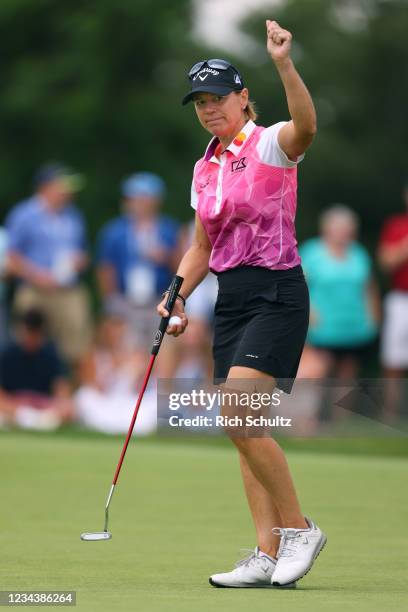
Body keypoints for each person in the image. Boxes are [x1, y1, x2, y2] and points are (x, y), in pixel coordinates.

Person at [157, 20, 326, 588]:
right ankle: (267, 552)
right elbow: (203, 245)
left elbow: (308, 125)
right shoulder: (204, 168)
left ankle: (300, 529)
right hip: (232, 298)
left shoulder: (273, 142)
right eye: (200, 102)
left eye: (218, 98)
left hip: (277, 291)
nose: (209, 109)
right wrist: (175, 295)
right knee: (241, 425)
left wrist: (283, 62)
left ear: (242, 98)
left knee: (237, 411)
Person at [5, 163, 92, 366]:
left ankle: (70, 391)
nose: (68, 192)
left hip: (67, 288)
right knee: (27, 340)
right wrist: (36, 275)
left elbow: (83, 251)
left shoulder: (73, 216)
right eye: (63, 186)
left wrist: (80, 261)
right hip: (34, 288)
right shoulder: (24, 215)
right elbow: (11, 255)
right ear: (45, 187)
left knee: (77, 342)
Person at [96, 172, 180, 347]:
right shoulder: (115, 231)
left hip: (158, 301)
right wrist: (111, 302)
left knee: (160, 348)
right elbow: (105, 269)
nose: (136, 203)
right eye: (132, 198)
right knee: (127, 348)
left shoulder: (168, 229)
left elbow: (180, 267)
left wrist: (165, 257)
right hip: (125, 301)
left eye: (142, 198)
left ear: (155, 200)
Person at [0, 308, 74, 430]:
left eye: (35, 334)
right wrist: (20, 411)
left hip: (44, 409)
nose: (31, 339)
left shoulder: (51, 355)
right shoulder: (8, 354)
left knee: (68, 409)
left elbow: (62, 390)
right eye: (29, 333)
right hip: (14, 407)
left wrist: (54, 406)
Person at [377, 181, 408, 421]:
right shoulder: (397, 226)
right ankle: (390, 416)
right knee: (394, 361)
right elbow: (386, 262)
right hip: (401, 300)